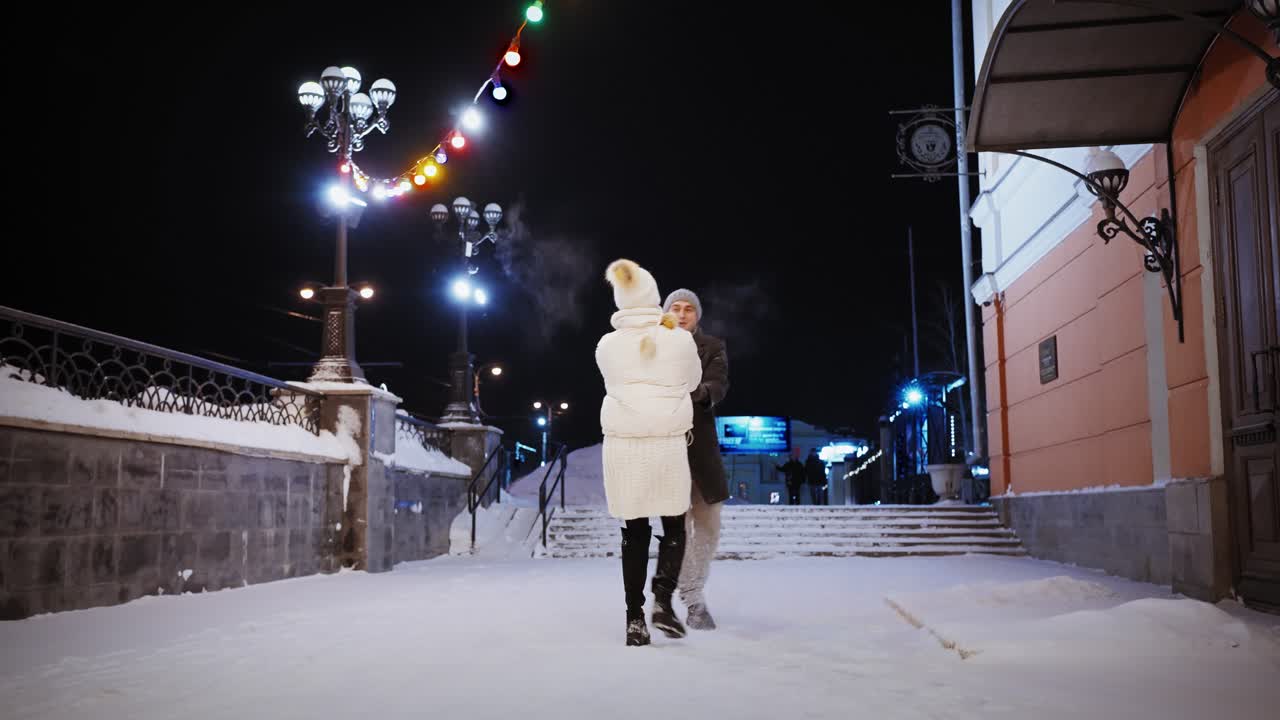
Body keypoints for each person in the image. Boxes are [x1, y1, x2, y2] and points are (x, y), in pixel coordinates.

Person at [596, 258, 703, 647]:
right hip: (666, 443)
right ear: (654, 297)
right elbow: (692, 380)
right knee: (674, 527)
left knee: (634, 532)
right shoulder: (678, 339)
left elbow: (613, 380)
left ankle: (634, 618)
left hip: (623, 446)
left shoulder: (606, 345)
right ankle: (662, 599)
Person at [663, 288, 729, 631]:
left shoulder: (713, 347)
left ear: (697, 315)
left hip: (700, 451)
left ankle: (692, 592)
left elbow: (718, 385)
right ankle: (677, 599)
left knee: (708, 525)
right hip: (664, 451)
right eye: (676, 307)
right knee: (674, 529)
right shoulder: (652, 347)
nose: (683, 313)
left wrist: (698, 391)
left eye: (689, 308)